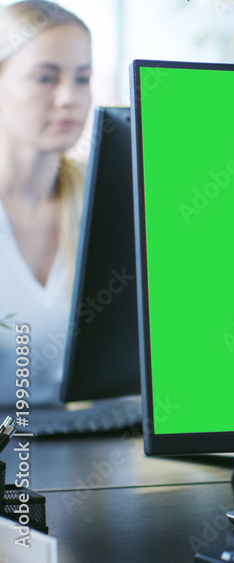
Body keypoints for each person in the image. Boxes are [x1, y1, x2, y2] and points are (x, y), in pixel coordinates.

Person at [0, 1, 92, 407]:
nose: (70, 98)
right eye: (45, 78)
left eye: (83, 78)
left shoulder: (105, 202)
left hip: (89, 446)